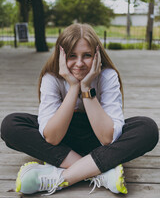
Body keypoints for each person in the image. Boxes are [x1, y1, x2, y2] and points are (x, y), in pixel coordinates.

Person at [1, 23, 159, 196]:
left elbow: (107, 138)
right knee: (10, 124)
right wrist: (73, 86)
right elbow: (52, 138)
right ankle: (99, 171)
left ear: (97, 55)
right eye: (72, 56)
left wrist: (86, 87)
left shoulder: (107, 76)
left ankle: (62, 177)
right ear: (61, 56)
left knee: (148, 128)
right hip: (64, 140)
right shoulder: (51, 78)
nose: (79, 63)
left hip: (97, 139)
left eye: (87, 55)